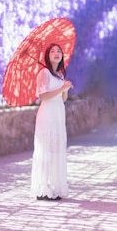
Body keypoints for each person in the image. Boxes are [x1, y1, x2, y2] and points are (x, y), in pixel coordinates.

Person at [30, 43, 72, 201]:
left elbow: (63, 99)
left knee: (56, 150)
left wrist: (65, 89)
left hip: (58, 113)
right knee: (46, 150)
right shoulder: (44, 72)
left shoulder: (59, 74)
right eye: (52, 51)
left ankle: (54, 188)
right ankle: (43, 189)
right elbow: (43, 96)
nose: (56, 53)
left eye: (59, 51)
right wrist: (61, 89)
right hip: (47, 114)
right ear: (47, 55)